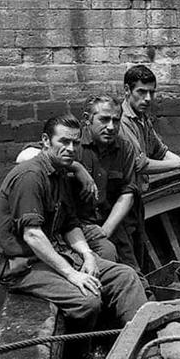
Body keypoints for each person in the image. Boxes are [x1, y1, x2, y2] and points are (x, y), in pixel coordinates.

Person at [0, 114, 147, 351]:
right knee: (87, 302)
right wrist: (72, 274)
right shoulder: (30, 177)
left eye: (75, 143)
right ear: (46, 141)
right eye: (64, 142)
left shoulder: (61, 173)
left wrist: (87, 255)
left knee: (125, 276)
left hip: (57, 254)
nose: (70, 149)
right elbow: (32, 235)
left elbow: (69, 225)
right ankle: (79, 357)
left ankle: (141, 346)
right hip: (24, 266)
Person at [119, 65, 180, 273]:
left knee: (138, 253)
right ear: (127, 90)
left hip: (137, 199)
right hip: (121, 201)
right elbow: (140, 163)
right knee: (129, 260)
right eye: (141, 92)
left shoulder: (142, 118)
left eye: (152, 92)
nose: (148, 99)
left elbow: (159, 151)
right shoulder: (123, 123)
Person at [76, 95, 145, 286]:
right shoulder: (73, 143)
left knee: (136, 275)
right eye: (104, 120)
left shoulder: (125, 148)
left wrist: (106, 230)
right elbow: (27, 156)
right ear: (87, 119)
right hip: (77, 225)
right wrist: (77, 167)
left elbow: (128, 193)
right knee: (106, 255)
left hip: (110, 222)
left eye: (115, 120)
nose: (111, 127)